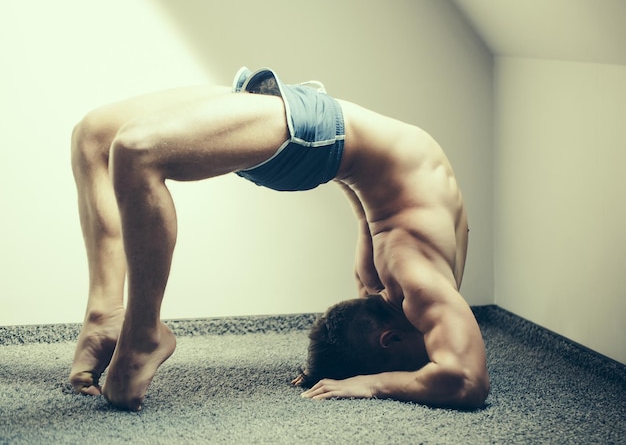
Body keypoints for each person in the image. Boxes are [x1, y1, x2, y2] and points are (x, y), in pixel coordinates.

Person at [69, 67, 489, 411]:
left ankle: (105, 315)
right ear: (390, 340)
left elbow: (371, 207)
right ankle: (140, 334)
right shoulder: (417, 280)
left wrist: (330, 366)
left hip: (315, 122)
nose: (430, 356)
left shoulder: (383, 281)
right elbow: (466, 379)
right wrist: (374, 383)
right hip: (321, 130)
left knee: (107, 141)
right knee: (118, 144)